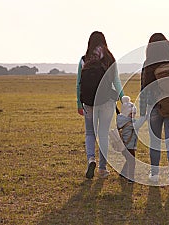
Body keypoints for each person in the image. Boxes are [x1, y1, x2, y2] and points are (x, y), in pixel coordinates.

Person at [139, 33, 169, 185]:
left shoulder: (149, 62)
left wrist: (142, 112)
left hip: (154, 106)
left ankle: (154, 174)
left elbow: (144, 89)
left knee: (155, 141)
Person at [76, 31, 124, 179]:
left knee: (90, 132)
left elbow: (79, 83)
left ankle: (91, 159)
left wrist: (79, 102)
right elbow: (116, 81)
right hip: (107, 102)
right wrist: (123, 99)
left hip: (89, 102)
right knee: (103, 133)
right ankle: (102, 168)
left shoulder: (84, 60)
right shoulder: (109, 59)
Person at [117, 96, 145, 183]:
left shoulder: (120, 120)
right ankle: (131, 178)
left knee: (128, 160)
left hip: (122, 145)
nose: (134, 116)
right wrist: (146, 115)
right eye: (132, 114)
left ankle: (123, 173)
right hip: (129, 146)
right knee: (132, 161)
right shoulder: (131, 123)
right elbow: (141, 122)